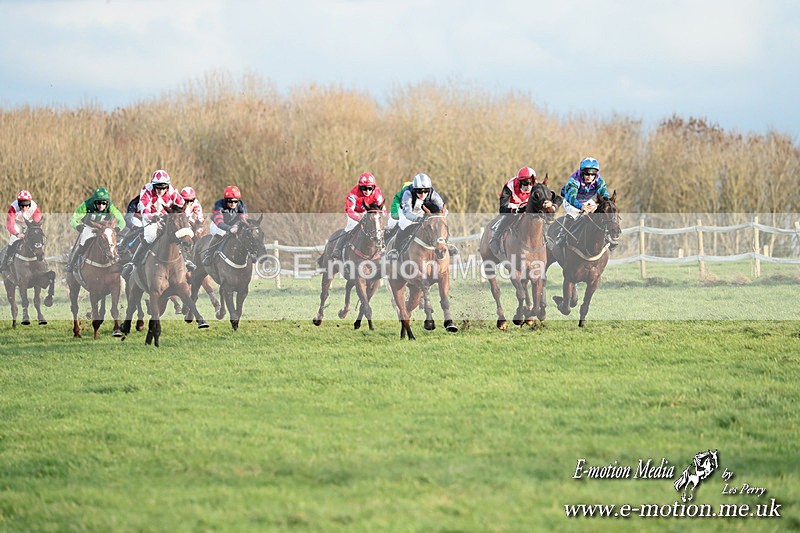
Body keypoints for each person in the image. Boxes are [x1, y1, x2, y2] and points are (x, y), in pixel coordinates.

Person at [121, 169, 190, 278]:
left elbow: (182, 205)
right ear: (153, 185)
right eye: (157, 187)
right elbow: (145, 211)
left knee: (177, 233)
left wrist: (182, 217)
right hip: (151, 218)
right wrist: (154, 217)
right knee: (150, 236)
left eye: (163, 187)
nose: (160, 190)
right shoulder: (146, 190)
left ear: (167, 186)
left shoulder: (172, 191)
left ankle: (185, 260)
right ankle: (133, 262)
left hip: (166, 218)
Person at [386, 173, 457, 260]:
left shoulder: (433, 194)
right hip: (407, 212)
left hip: (422, 211)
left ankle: (447, 243)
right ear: (415, 189)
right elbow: (407, 213)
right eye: (419, 191)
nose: (423, 194)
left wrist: (439, 218)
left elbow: (443, 209)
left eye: (425, 191)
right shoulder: (408, 193)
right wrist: (418, 219)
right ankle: (395, 250)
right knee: (403, 225)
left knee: (440, 225)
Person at [554, 157, 612, 248]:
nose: (590, 177)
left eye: (593, 174)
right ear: (582, 172)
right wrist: (581, 207)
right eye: (587, 174)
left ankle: (605, 235)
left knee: (601, 212)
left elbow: (604, 193)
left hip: (587, 200)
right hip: (570, 200)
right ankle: (562, 234)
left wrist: (604, 202)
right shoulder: (574, 180)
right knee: (573, 212)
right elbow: (571, 198)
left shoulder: (599, 181)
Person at [64, 187, 125, 273]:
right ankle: (72, 264)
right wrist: (78, 226)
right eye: (98, 203)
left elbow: (121, 220)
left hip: (104, 228)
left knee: (112, 242)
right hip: (90, 227)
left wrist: (117, 229)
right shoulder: (87, 205)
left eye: (104, 203)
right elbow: (73, 219)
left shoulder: (111, 206)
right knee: (83, 244)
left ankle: (119, 262)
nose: (101, 206)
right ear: (94, 201)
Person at [331, 172, 386, 260]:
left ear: (373, 187)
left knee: (377, 228)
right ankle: (337, 249)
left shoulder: (377, 192)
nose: (367, 191)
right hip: (355, 214)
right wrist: (359, 218)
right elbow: (349, 210)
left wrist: (381, 215)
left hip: (369, 213)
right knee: (350, 228)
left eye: (369, 188)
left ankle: (383, 249)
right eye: (364, 188)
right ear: (360, 187)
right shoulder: (353, 194)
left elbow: (383, 208)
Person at [488, 166, 537, 257]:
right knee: (509, 216)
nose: (528, 186)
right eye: (525, 183)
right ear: (519, 182)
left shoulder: (536, 186)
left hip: (528, 205)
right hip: (513, 205)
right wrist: (518, 210)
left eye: (531, 183)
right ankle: (495, 238)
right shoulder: (509, 187)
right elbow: (502, 210)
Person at [201, 185, 249, 266]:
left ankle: (250, 253)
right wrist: (229, 228)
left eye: (235, 201)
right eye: (230, 201)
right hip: (218, 225)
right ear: (226, 200)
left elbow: (243, 220)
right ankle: (208, 254)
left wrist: (239, 226)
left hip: (233, 225)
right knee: (221, 233)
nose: (233, 203)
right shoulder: (219, 205)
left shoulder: (242, 205)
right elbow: (219, 222)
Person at [1, 190, 43, 273]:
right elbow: (10, 224)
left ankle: (41, 258)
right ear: (18, 203)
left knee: (37, 238)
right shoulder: (13, 207)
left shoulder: (34, 207)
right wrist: (17, 234)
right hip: (16, 224)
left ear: (30, 203)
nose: (24, 207)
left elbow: (37, 222)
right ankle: (5, 262)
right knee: (13, 239)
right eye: (22, 204)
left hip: (29, 224)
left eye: (26, 204)